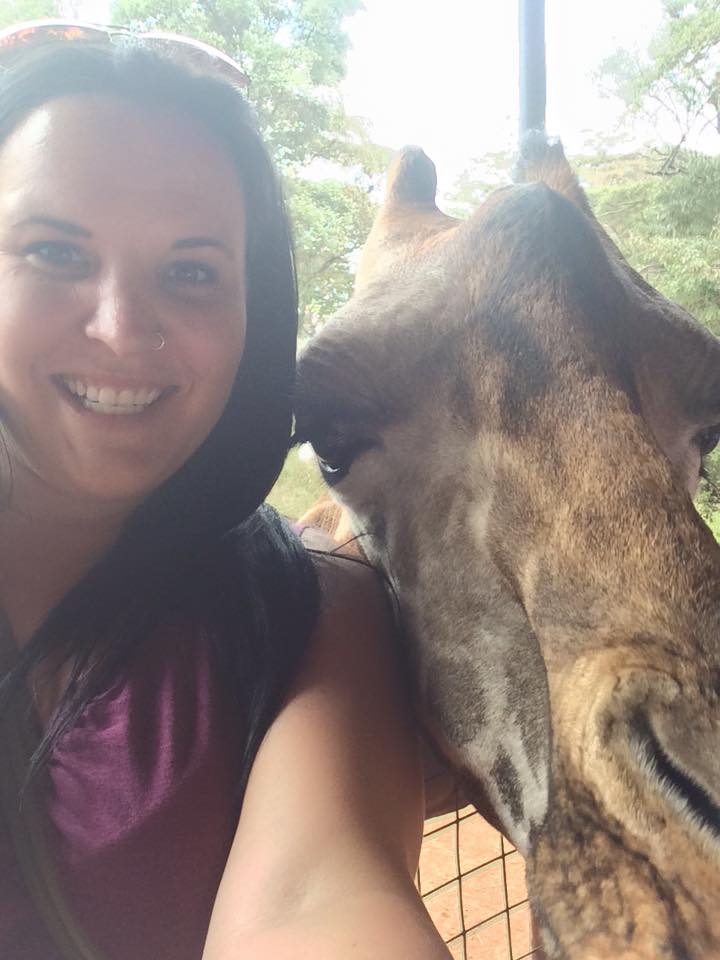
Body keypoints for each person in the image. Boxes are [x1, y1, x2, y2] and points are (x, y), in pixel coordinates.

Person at [0, 22, 451, 960]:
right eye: (53, 252)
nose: (124, 330)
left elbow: (315, 902)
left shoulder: (312, 609)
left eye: (193, 272)